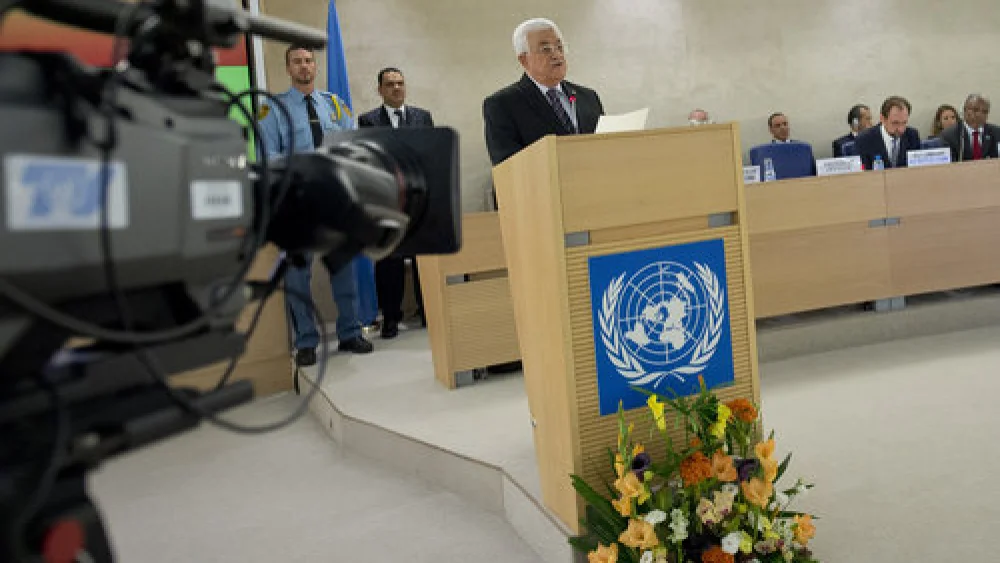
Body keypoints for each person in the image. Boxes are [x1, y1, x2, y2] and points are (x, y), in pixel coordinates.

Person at [259, 44, 374, 366]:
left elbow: (352, 147)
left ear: (315, 65)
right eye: (297, 61)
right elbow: (268, 156)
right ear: (288, 68)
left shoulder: (334, 105)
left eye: (309, 60)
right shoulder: (272, 109)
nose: (304, 66)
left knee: (344, 268)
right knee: (297, 275)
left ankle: (350, 332)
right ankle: (306, 341)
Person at [358, 67, 433, 338]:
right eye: (390, 84)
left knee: (424, 259)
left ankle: (428, 312)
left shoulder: (422, 117)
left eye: (400, 83)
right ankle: (391, 317)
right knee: (390, 260)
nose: (397, 88)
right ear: (380, 90)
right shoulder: (368, 121)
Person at [483, 17, 605, 168]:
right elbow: (507, 165)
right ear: (524, 60)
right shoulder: (502, 105)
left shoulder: (588, 97)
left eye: (559, 47)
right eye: (546, 49)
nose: (557, 55)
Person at [854, 95, 921, 170]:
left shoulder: (912, 136)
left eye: (904, 123)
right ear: (882, 118)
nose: (901, 129)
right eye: (895, 123)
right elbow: (863, 172)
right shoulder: (864, 139)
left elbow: (917, 169)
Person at [940, 94, 1000, 162]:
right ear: (964, 110)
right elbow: (948, 164)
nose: (979, 114)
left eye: (984, 112)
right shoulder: (949, 135)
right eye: (975, 110)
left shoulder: (996, 133)